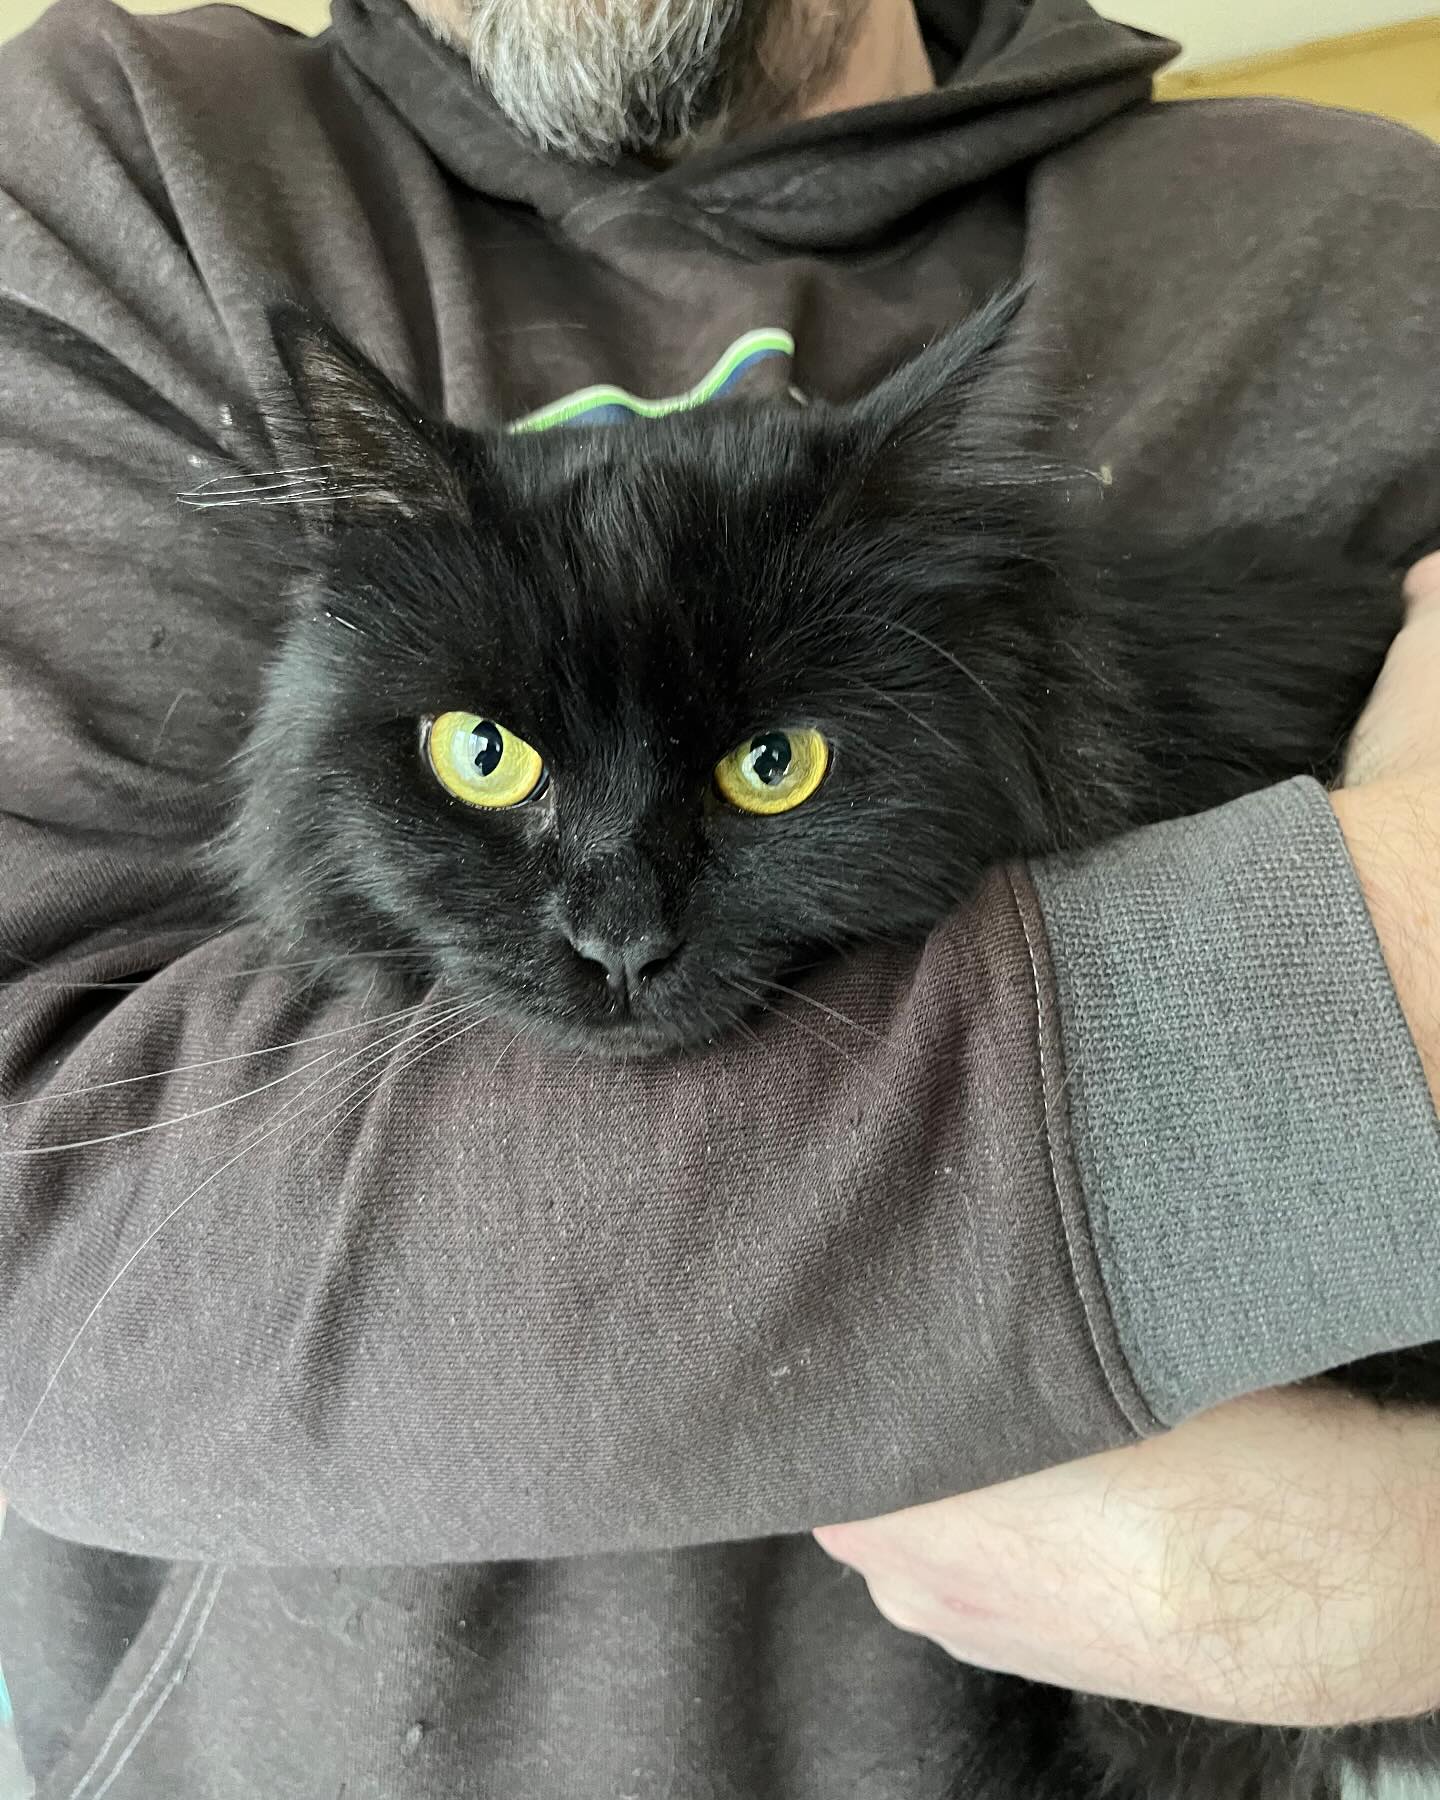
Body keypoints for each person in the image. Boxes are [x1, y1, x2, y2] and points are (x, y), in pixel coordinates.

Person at [0, 0, 1436, 1792]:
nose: (616, 932)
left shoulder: (1379, 237)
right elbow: (46, 1234)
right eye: (487, 770)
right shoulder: (129, 154)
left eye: (769, 775)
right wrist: (1392, 956)